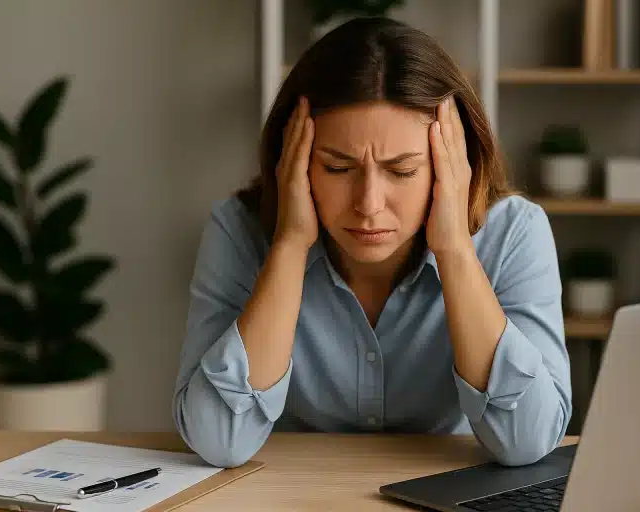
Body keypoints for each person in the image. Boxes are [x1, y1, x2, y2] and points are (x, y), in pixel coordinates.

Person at [172, 17, 572, 469]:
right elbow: (218, 440)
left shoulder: (514, 232)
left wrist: (456, 250)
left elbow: (527, 441)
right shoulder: (238, 230)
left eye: (402, 171)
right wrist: (289, 245)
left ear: (454, 163)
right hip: (288, 493)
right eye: (338, 168)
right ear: (293, 160)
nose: (368, 204)